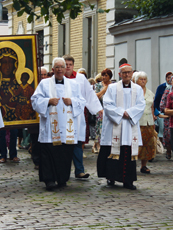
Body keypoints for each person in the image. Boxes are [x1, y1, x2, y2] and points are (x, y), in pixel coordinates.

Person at [31, 57, 86, 191]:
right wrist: (48, 101)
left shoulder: (74, 85)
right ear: (53, 69)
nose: (60, 69)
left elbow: (81, 101)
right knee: (48, 153)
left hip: (67, 128)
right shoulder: (44, 84)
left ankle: (62, 179)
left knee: (64, 154)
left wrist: (71, 101)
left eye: (62, 66)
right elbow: (35, 100)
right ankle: (49, 180)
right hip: (51, 127)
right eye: (57, 67)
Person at [97, 63, 145, 190]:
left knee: (128, 154)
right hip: (115, 125)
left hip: (130, 125)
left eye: (129, 72)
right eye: (124, 73)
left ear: (132, 73)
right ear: (119, 74)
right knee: (112, 152)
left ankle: (128, 181)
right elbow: (107, 104)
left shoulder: (138, 89)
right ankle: (111, 178)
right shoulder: (112, 88)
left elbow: (141, 105)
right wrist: (120, 113)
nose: (127, 75)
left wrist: (128, 113)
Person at [63, 55, 102, 178]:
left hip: (77, 116)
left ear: (73, 65)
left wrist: (98, 109)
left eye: (70, 64)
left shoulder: (80, 78)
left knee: (77, 143)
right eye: (66, 64)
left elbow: (89, 94)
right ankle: (64, 171)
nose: (68, 66)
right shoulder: (58, 79)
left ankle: (79, 170)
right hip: (62, 116)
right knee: (63, 145)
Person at [134, 71, 157, 174]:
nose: (143, 81)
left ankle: (144, 165)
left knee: (147, 143)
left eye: (144, 79)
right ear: (136, 81)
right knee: (135, 143)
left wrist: (153, 120)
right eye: (141, 79)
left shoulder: (150, 93)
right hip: (138, 121)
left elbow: (152, 107)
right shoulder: (133, 92)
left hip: (148, 122)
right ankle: (132, 164)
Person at [160, 75, 173, 160]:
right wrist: (166, 111)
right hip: (169, 117)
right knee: (168, 135)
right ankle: (168, 150)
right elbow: (162, 104)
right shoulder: (167, 91)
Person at [93, 68, 113, 154]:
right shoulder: (98, 85)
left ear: (110, 77)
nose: (104, 77)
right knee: (99, 126)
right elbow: (95, 97)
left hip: (111, 109)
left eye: (106, 75)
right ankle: (98, 144)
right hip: (100, 109)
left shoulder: (113, 85)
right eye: (103, 75)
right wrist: (104, 90)